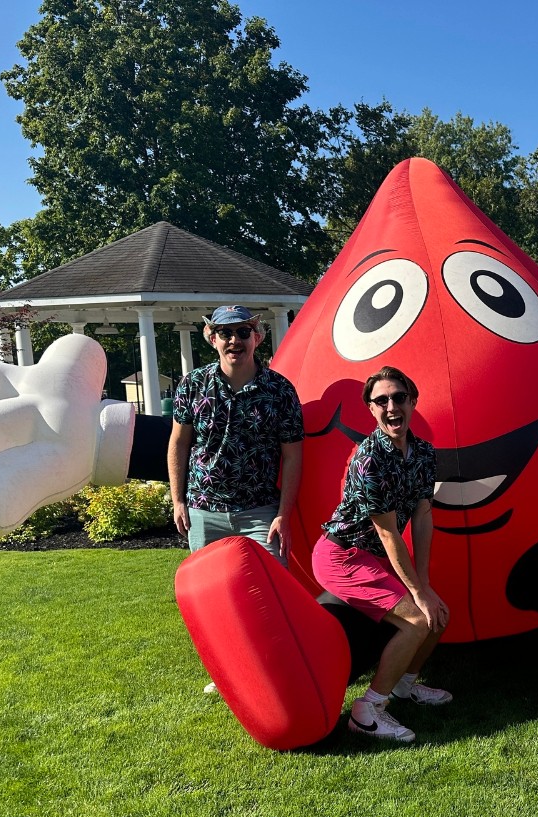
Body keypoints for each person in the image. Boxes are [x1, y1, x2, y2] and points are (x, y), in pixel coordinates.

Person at [312, 367, 451, 743]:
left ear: (412, 401)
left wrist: (424, 584)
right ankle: (368, 710)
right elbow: (389, 533)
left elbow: (422, 515)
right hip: (342, 556)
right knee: (418, 620)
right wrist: (418, 594)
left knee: (438, 614)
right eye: (381, 400)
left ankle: (406, 685)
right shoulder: (369, 458)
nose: (392, 406)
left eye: (399, 397)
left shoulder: (422, 452)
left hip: (373, 557)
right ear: (371, 409)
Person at [168, 305, 304, 693]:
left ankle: (277, 672)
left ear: (257, 338)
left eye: (243, 332)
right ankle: (226, 672)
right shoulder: (192, 385)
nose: (235, 341)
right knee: (212, 598)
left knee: (272, 596)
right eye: (225, 333)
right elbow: (179, 443)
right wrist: (178, 500)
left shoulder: (279, 390)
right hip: (203, 510)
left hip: (261, 509)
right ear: (211, 338)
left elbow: (293, 453)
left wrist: (284, 513)